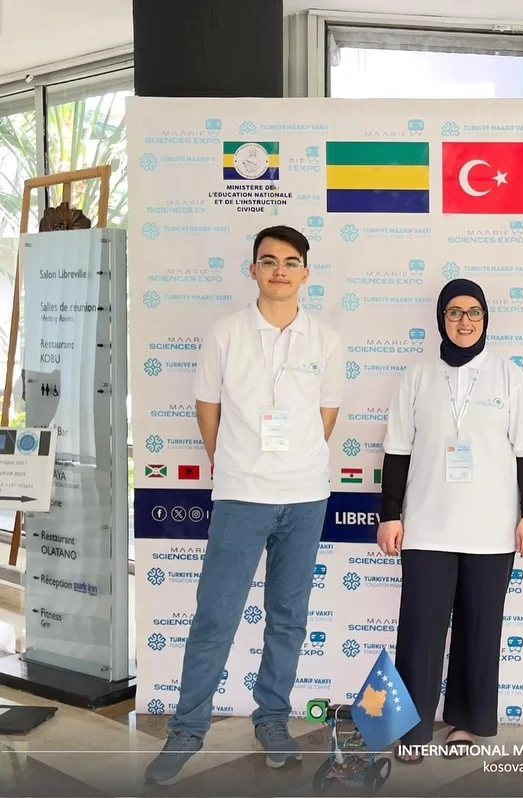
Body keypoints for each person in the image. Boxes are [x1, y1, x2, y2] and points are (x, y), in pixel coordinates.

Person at [145, 225, 344, 785]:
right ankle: (188, 729)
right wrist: (230, 462)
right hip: (241, 495)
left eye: (290, 262)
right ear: (253, 269)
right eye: (268, 261)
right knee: (215, 616)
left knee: (288, 618)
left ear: (305, 272)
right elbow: (207, 407)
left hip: (304, 497)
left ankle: (272, 719)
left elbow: (325, 415)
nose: (279, 270)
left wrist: (294, 463)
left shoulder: (326, 340)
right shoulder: (226, 333)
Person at [376, 278, 523, 763]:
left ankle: (465, 723)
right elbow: (397, 450)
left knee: (479, 631)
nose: (464, 321)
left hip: (491, 531)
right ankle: (411, 729)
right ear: (441, 319)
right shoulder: (417, 377)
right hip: (426, 527)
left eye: (474, 312)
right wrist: (390, 515)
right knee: (419, 632)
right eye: (454, 312)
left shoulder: (509, 377)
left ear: (485, 318)